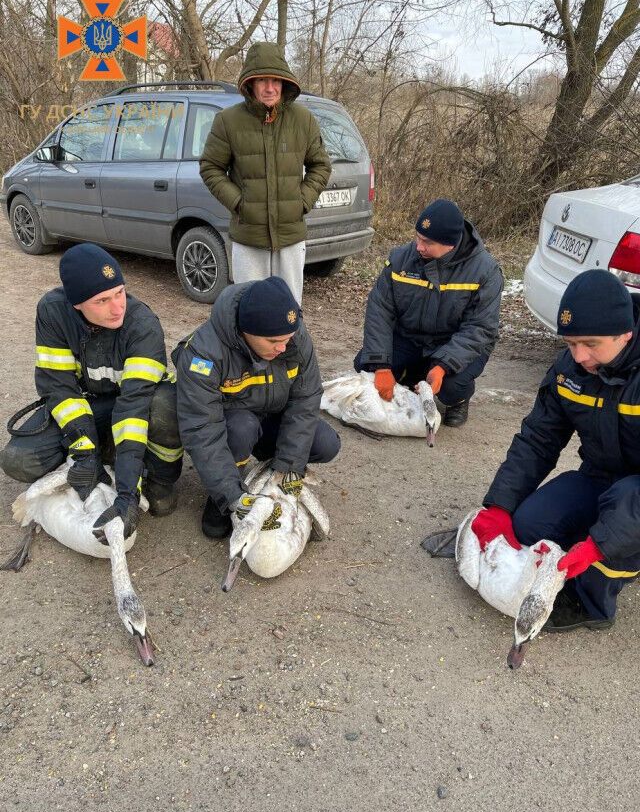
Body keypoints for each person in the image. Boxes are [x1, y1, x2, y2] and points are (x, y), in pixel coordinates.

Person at [473, 269, 640, 631]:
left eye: (591, 344)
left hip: (636, 489)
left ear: (625, 334)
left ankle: (592, 603)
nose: (578, 356)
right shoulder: (570, 370)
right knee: (528, 524)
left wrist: (599, 546)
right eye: (570, 343)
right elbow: (538, 438)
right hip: (600, 476)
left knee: (615, 536)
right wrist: (499, 504)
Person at [0, 243, 183, 538]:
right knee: (18, 461)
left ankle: (158, 479)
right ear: (76, 304)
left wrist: (127, 495)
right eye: (102, 301)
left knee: (164, 406)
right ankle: (99, 454)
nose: (117, 307)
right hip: (88, 405)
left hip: (135, 405)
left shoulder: (142, 326)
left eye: (120, 292)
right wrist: (85, 453)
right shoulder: (52, 312)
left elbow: (133, 411)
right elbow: (58, 389)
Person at [172, 276, 340, 539]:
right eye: (274, 342)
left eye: (288, 339)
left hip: (272, 418)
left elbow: (306, 399)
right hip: (235, 426)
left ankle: (273, 472)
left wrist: (290, 466)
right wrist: (230, 497)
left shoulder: (292, 336)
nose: (283, 348)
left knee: (326, 443)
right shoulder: (203, 354)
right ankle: (226, 492)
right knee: (241, 428)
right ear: (247, 332)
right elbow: (202, 429)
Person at [199, 41, 332, 303]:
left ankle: (289, 346)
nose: (269, 88)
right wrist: (239, 203)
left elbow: (321, 165)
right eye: (262, 80)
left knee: (289, 309)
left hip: (291, 237)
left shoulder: (303, 119)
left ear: (285, 83)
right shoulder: (228, 121)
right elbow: (210, 167)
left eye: (275, 80)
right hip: (248, 237)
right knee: (249, 310)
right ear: (250, 84)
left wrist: (302, 201)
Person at [354, 198, 503, 427]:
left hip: (451, 344)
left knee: (451, 388)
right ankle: (412, 378)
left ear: (451, 244)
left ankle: (458, 400)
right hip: (410, 337)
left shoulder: (485, 271)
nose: (418, 247)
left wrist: (443, 366)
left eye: (427, 243)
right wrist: (381, 365)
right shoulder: (399, 260)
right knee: (365, 365)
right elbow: (380, 310)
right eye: (417, 238)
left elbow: (480, 328)